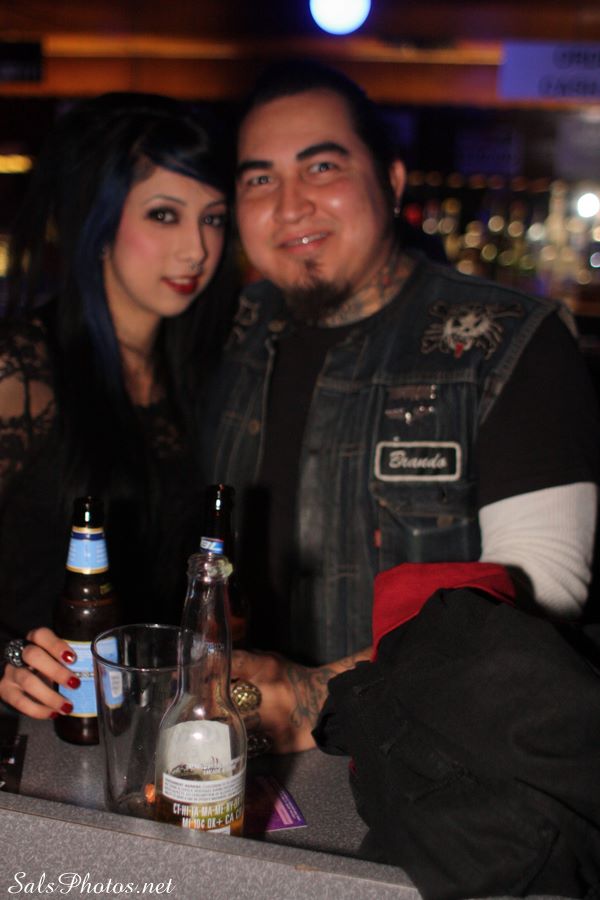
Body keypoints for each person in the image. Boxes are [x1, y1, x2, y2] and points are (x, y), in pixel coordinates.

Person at [200, 60, 600, 752]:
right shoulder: (226, 332)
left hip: (425, 764)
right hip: (230, 749)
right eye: (260, 180)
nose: (289, 205)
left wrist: (315, 697)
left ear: (390, 180)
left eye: (322, 168)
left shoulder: (507, 340)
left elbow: (542, 597)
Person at [0, 93, 237, 718]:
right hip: (39, 725)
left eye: (213, 218)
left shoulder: (205, 369)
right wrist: (6, 659)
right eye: (164, 214)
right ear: (98, 223)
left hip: (154, 724)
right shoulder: (22, 367)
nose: (196, 249)